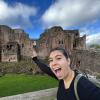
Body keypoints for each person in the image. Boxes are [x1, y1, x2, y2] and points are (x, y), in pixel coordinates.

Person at [32, 47, 100, 100]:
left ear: (68, 61)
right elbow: (47, 70)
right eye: (51, 60)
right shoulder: (62, 78)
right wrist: (35, 59)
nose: (53, 63)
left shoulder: (84, 86)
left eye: (58, 58)